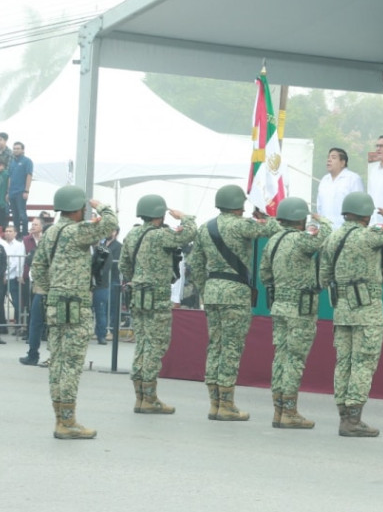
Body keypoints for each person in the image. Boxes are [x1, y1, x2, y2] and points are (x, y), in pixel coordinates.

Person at [30, 185, 118, 439]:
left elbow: (38, 267)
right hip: (75, 304)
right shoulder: (78, 232)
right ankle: (67, 423)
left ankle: (61, 417)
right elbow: (110, 222)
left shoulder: (51, 232)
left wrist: (50, 293)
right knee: (71, 363)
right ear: (78, 209)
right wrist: (101, 205)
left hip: (55, 303)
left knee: (57, 361)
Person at [188, 184, 280, 422]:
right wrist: (264, 216)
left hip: (213, 292)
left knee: (215, 346)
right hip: (236, 294)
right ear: (239, 205)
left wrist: (206, 288)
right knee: (231, 348)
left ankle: (215, 403)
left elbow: (195, 263)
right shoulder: (242, 225)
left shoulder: (204, 228)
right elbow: (275, 228)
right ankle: (227, 405)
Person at [319, 192, 383, 437]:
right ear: (366, 215)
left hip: (342, 310)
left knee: (343, 363)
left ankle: (343, 417)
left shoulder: (332, 238)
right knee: (363, 362)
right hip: (367, 309)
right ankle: (354, 419)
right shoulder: (368, 236)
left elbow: (323, 277)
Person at [119, 194, 197, 415]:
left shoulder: (132, 233)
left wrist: (139, 278)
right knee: (155, 345)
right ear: (159, 215)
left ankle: (140, 396)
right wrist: (185, 218)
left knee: (142, 344)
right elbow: (189, 234)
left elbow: (124, 265)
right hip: (157, 297)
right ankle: (150, 398)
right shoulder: (161, 235)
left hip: (137, 295)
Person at [261, 197, 329, 429]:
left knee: (280, 356)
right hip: (300, 308)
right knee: (295, 359)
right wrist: (323, 221)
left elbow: (265, 275)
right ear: (300, 219)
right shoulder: (301, 240)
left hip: (279, 305)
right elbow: (325, 238)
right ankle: (290, 411)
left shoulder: (273, 241)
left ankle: (279, 409)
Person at [316, 147, 364, 229]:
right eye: (328, 157)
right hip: (325, 231)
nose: (329, 160)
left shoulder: (353, 179)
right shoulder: (324, 180)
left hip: (344, 231)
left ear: (342, 163)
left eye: (333, 157)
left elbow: (359, 206)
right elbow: (319, 207)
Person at [19, 217, 46, 364]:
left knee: (36, 322)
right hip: (52, 289)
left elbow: (32, 265)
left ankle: (33, 354)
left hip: (41, 290)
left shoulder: (39, 251)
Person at [90, 229, 120, 345]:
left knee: (100, 311)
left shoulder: (104, 251)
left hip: (100, 285)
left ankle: (101, 335)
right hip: (89, 285)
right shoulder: (87, 249)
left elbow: (103, 269)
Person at [0, 225, 26, 334]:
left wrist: (6, 273)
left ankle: (18, 325)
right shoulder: (1, 244)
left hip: (13, 276)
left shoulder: (19, 245)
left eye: (10, 231)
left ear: (15, 233)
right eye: (6, 231)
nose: (8, 233)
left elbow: (16, 262)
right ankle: (1, 325)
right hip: (2, 277)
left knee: (16, 302)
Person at [7, 142, 33, 237]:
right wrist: (8, 192)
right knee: (15, 215)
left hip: (21, 192)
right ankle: (17, 234)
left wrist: (26, 190)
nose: (16, 150)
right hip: (12, 192)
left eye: (18, 148)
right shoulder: (12, 162)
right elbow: (9, 177)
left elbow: (29, 175)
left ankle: (25, 234)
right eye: (14, 148)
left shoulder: (27, 161)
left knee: (22, 213)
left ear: (23, 150)